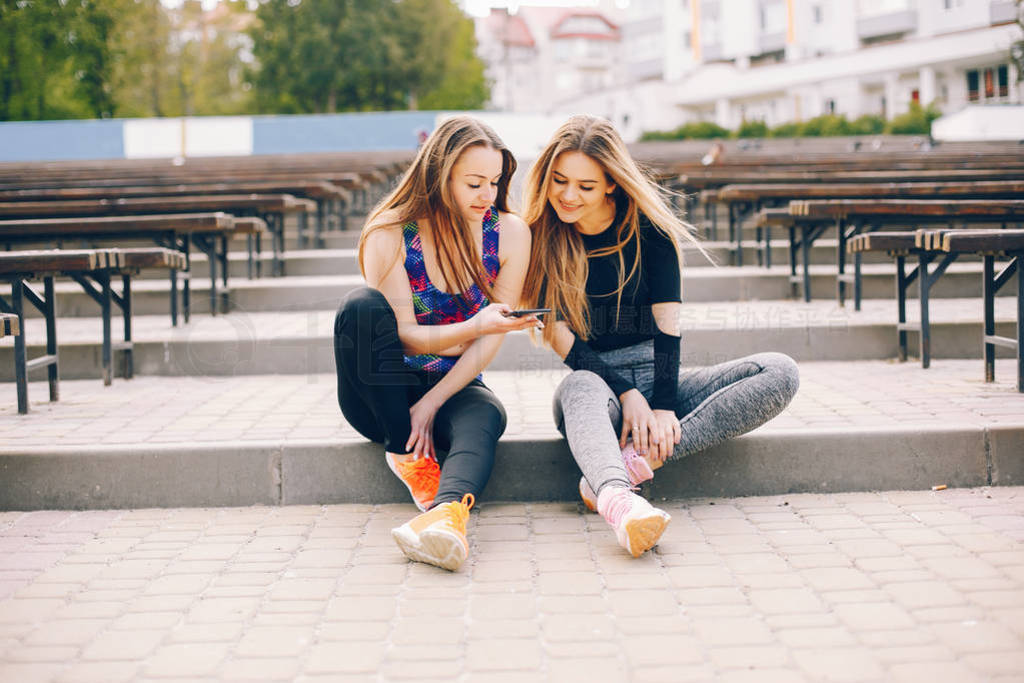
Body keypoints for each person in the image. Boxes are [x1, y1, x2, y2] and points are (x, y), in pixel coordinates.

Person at [522, 115, 800, 558]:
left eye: (585, 187)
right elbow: (562, 341)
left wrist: (664, 405)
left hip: (658, 382)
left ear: (612, 183)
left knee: (779, 371)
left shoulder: (651, 232)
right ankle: (617, 499)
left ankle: (637, 464)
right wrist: (628, 393)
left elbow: (668, 330)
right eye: (559, 181)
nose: (568, 196)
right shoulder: (538, 238)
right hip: (597, 392)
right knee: (578, 385)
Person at [333, 116, 540, 571]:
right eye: (474, 183)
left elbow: (492, 339)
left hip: (453, 383)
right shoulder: (389, 231)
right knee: (361, 307)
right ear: (438, 174)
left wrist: (433, 402)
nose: (488, 195)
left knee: (487, 412)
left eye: (496, 182)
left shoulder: (509, 233)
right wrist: (472, 328)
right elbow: (402, 336)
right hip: (381, 393)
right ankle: (405, 452)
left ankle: (446, 518)